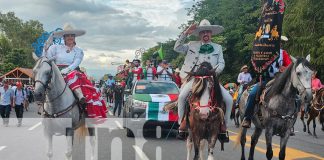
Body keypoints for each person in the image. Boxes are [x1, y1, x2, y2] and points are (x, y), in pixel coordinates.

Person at [174, 19, 233, 140]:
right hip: (195, 78)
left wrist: (214, 72)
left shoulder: (218, 47)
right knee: (181, 97)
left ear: (211, 33)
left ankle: (224, 127)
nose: (205, 34)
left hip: (211, 79)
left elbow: (221, 63)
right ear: (199, 34)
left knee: (229, 99)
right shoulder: (191, 45)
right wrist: (185, 33)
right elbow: (177, 48)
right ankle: (182, 125)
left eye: (208, 32)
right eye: (202, 32)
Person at [44, 24, 107, 122]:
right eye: (67, 35)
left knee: (75, 77)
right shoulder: (55, 48)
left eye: (72, 35)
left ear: (74, 37)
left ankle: (81, 101)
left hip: (72, 71)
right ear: (64, 37)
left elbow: (77, 62)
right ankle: (43, 105)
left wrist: (67, 70)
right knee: (44, 81)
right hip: (56, 71)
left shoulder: (78, 51)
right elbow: (46, 59)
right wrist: (46, 47)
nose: (70, 37)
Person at [241, 35, 292, 128]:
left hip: (280, 79)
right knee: (252, 94)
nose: (280, 44)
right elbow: (258, 65)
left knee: (293, 96)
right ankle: (247, 118)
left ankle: (289, 122)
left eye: (281, 42)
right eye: (277, 42)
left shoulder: (283, 53)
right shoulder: (264, 52)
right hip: (266, 79)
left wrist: (285, 68)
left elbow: (289, 66)